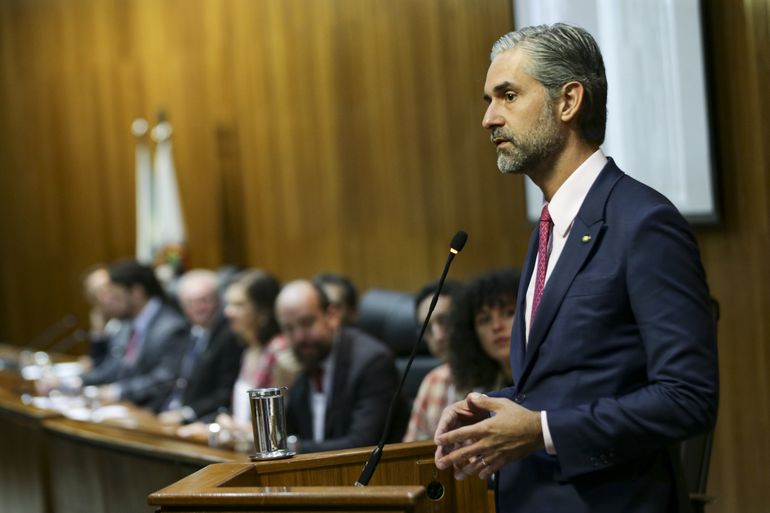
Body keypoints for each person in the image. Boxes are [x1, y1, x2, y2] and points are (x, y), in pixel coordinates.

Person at [434, 23, 718, 513]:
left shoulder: (643, 223)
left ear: (568, 102)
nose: (489, 118)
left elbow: (688, 397)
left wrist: (541, 431)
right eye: (488, 99)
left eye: (507, 95)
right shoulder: (549, 225)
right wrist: (485, 410)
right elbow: (569, 379)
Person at [277, 280, 403, 452]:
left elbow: (362, 445)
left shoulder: (372, 362)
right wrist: (283, 392)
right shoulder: (302, 363)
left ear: (331, 316)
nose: (299, 337)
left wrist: (291, 447)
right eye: (289, 328)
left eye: (307, 323)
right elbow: (288, 432)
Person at [177, 269, 298, 445]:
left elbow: (275, 431)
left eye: (239, 305)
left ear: (263, 312)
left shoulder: (279, 352)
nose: (228, 312)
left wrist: (219, 431)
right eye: (228, 304)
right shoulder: (249, 348)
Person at [404, 270, 517, 442]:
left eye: (509, 313)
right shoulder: (439, 380)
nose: (496, 326)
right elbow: (411, 454)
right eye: (484, 320)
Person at [79, 259, 189, 407]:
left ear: (137, 292)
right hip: (125, 407)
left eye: (116, 295)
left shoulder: (172, 327)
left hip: (153, 411)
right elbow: (116, 366)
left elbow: (165, 379)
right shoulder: (128, 323)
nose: (109, 301)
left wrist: (117, 392)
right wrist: (78, 381)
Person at [154, 269, 243, 423]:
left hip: (199, 420)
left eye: (204, 300)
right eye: (191, 302)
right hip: (165, 413)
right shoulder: (186, 332)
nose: (199, 308)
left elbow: (224, 393)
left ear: (218, 300)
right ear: (182, 305)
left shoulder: (229, 337)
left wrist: (186, 414)